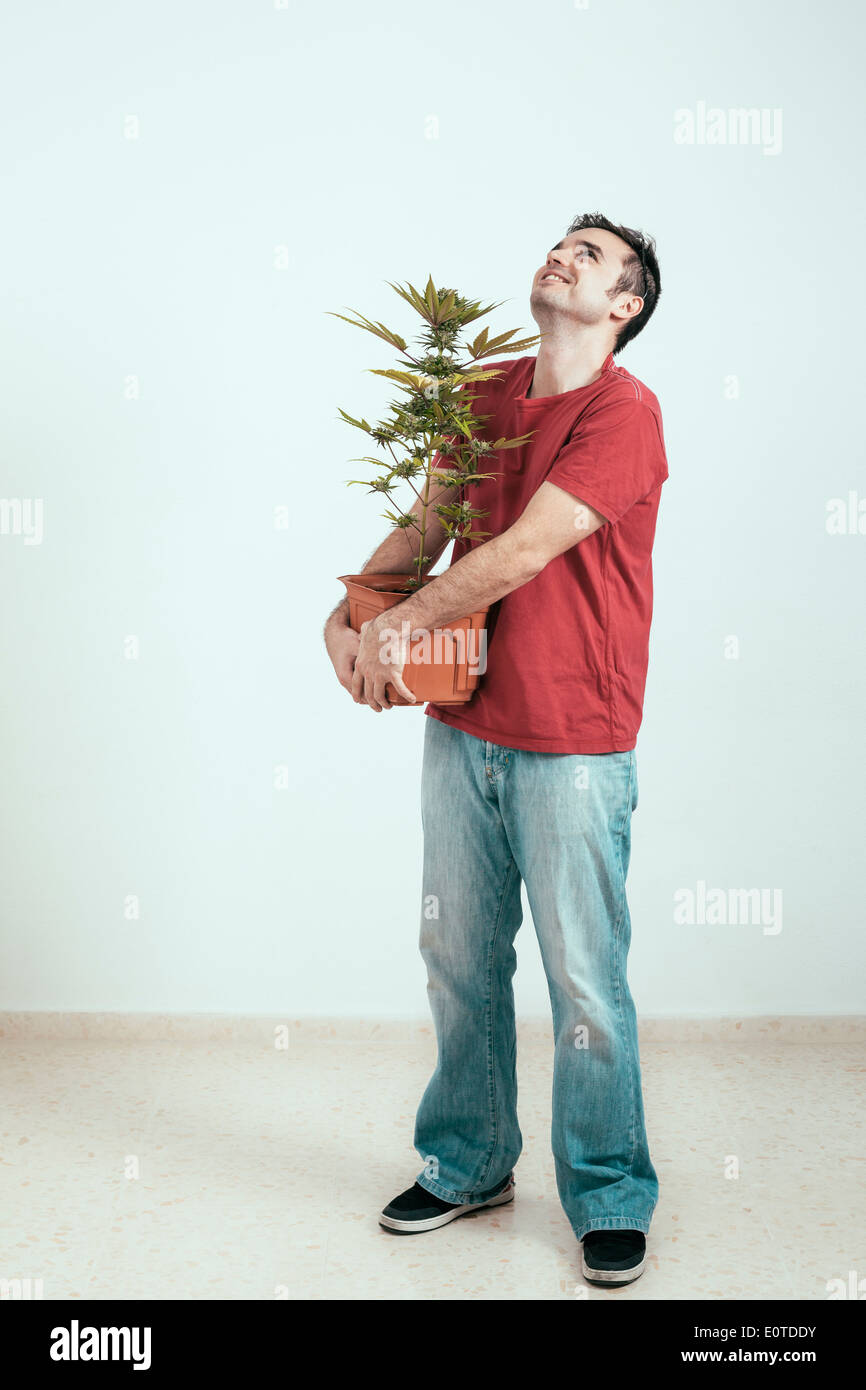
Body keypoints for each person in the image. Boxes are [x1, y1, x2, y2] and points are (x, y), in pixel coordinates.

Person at [323, 213, 667, 1287]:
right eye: (560, 241)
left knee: (584, 981)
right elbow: (429, 525)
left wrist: (400, 625)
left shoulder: (624, 412)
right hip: (461, 720)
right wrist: (350, 610)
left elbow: (523, 548)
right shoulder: (476, 396)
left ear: (624, 307)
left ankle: (608, 1189)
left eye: (593, 255)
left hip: (571, 737)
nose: (563, 254)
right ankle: (466, 1161)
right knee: (455, 958)